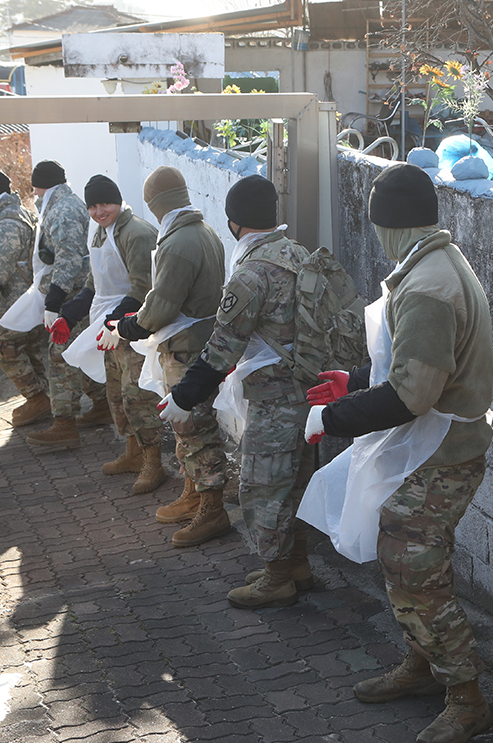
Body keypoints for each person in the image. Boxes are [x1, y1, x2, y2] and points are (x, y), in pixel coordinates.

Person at [302, 163, 493, 743]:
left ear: (385, 226)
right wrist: (356, 380)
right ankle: (423, 664)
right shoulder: (431, 265)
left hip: (444, 450)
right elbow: (415, 361)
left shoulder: (430, 286)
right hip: (431, 444)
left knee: (411, 563)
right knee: (414, 562)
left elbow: (413, 393)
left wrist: (333, 418)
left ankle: (466, 697)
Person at [163, 175, 318, 608]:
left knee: (263, 488)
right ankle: (297, 566)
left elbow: (221, 348)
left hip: (274, 399)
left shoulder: (250, 274)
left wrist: (182, 397)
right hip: (309, 392)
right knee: (296, 483)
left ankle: (276, 578)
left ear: (234, 223)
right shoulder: (297, 253)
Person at [111, 166, 228, 546]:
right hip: (197, 342)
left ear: (155, 205)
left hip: (187, 348)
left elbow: (161, 304)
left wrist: (127, 327)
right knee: (188, 428)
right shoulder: (204, 232)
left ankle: (212, 509)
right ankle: (195, 494)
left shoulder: (178, 243)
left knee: (194, 429)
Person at [54, 175, 166, 493]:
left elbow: (143, 286)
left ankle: (153, 462)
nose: (99, 211)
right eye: (92, 206)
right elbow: (95, 282)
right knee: (116, 395)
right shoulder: (102, 233)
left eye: (105, 204)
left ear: (117, 201)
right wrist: (70, 313)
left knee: (136, 396)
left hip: (134, 327)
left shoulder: (137, 233)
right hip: (110, 327)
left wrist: (115, 323)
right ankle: (132, 452)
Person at [20, 159, 111, 452]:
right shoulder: (64, 205)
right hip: (78, 290)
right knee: (76, 349)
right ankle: (101, 404)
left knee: (59, 355)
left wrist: (54, 300)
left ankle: (64, 425)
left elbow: (70, 258)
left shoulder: (62, 210)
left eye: (35, 189)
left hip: (73, 293)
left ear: (41, 186)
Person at [0, 170, 51, 427]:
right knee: (32, 348)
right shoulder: (22, 214)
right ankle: (44, 399)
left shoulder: (7, 222)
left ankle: (37, 397)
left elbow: (1, 266)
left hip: (17, 299)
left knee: (5, 348)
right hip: (31, 296)